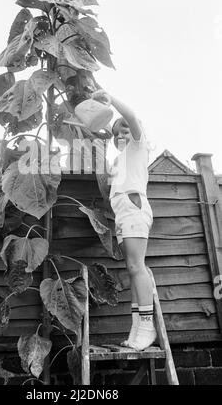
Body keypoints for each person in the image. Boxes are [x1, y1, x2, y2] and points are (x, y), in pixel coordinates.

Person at [91, 89, 157, 351]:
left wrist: (109, 97)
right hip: (123, 216)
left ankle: (147, 326)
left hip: (134, 210)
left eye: (126, 131)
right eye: (117, 133)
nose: (121, 135)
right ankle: (137, 326)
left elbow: (130, 116)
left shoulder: (138, 148)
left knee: (136, 266)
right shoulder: (119, 161)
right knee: (133, 268)